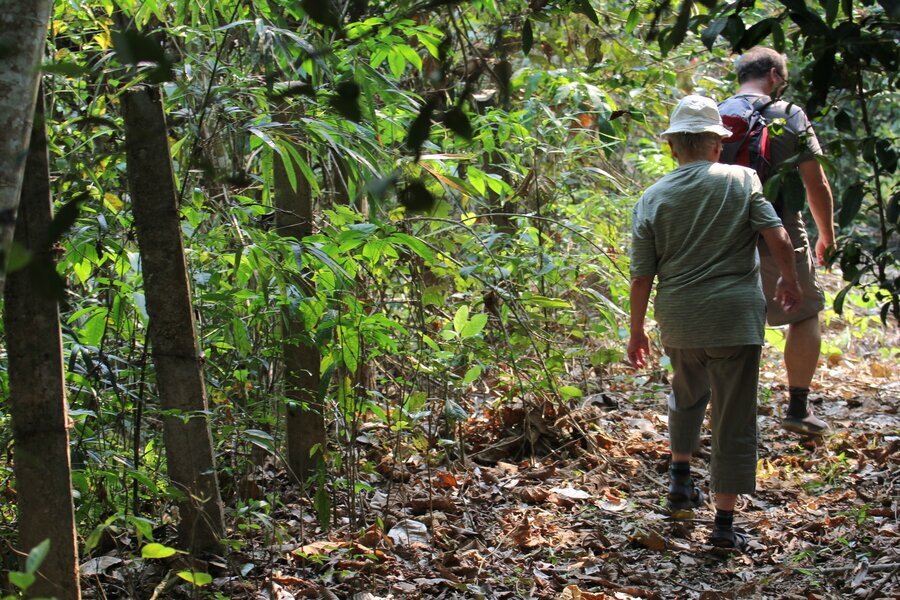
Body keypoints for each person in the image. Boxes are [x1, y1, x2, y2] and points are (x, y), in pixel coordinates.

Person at [627, 95, 802, 550]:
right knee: (733, 417)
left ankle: (680, 484)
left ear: (673, 147)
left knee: (685, 396)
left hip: (680, 319)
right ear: (716, 144)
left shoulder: (651, 197)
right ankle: (724, 528)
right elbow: (776, 234)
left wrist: (636, 329)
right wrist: (789, 279)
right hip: (734, 316)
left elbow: (642, 273)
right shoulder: (742, 179)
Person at [724, 46, 836, 436]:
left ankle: (724, 413)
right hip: (780, 226)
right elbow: (815, 180)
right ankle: (798, 407)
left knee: (729, 321)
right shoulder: (788, 114)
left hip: (720, 230)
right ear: (773, 75)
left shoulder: (714, 113)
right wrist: (827, 234)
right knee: (804, 311)